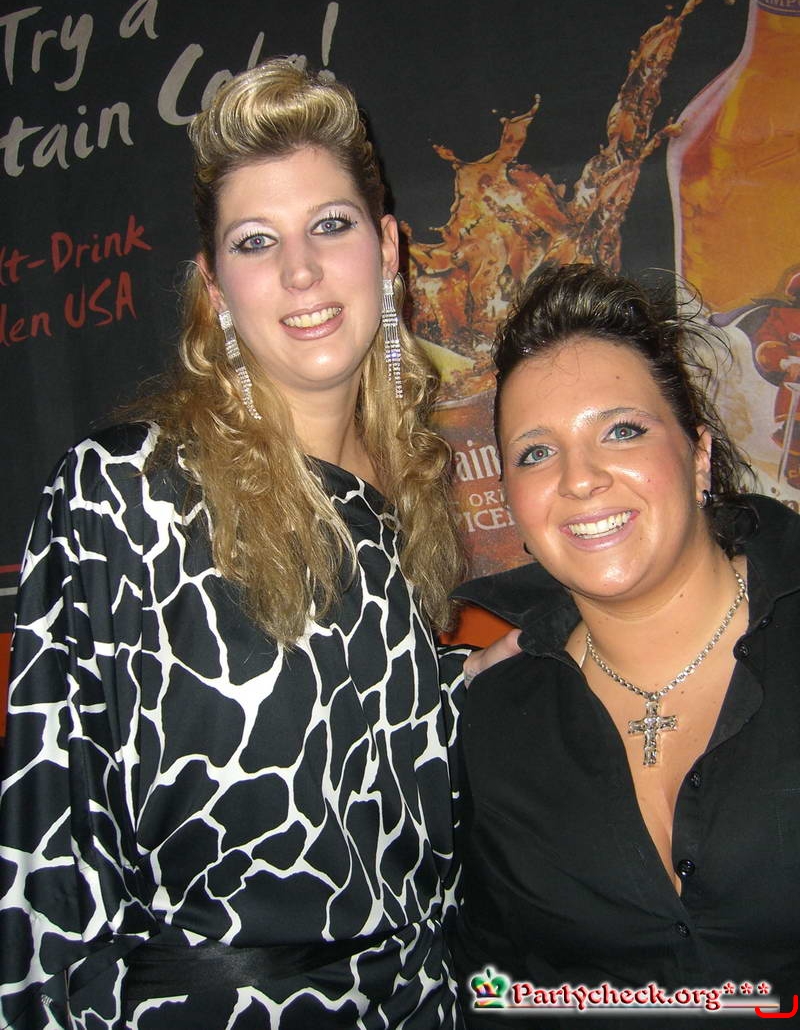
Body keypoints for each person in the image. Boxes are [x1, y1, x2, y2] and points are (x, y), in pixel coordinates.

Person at [0, 57, 504, 1030]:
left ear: (387, 248)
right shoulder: (126, 494)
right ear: (215, 285)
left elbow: (380, 791)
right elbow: (46, 858)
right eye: (255, 241)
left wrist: (487, 681)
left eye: (331, 225)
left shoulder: (410, 502)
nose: (300, 271)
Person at [451, 264, 800, 1026]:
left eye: (621, 431)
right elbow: (495, 987)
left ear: (699, 455)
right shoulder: (496, 721)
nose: (579, 479)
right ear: (510, 498)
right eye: (535, 453)